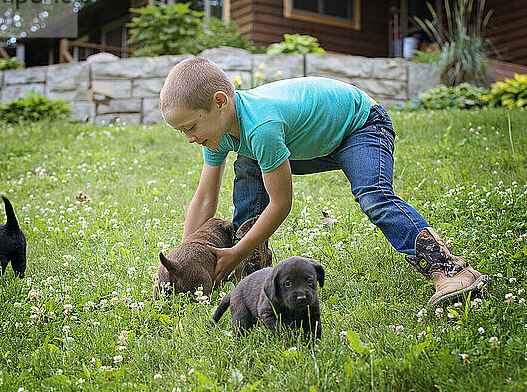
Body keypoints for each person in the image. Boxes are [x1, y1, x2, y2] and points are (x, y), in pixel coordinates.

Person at [158, 57, 485, 306]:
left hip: (359, 126)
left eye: (190, 128)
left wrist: (236, 248)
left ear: (219, 102)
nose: (189, 138)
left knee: (374, 196)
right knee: (248, 168)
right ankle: (253, 279)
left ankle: (452, 271)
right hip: (311, 143)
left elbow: (282, 204)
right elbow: (204, 198)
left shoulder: (261, 128)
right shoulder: (218, 132)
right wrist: (184, 259)